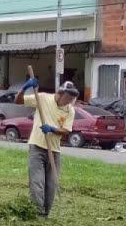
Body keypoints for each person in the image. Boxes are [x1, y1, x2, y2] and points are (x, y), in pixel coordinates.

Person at [15, 79, 79, 216]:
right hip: (37, 147)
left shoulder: (70, 111)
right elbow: (18, 101)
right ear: (60, 93)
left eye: (72, 99)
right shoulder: (42, 98)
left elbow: (66, 130)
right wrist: (25, 87)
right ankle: (37, 213)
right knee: (37, 182)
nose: (69, 102)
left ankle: (45, 213)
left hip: (54, 151)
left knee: (51, 185)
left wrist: (52, 129)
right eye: (68, 98)